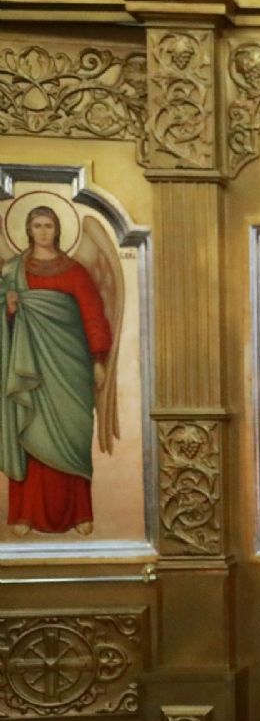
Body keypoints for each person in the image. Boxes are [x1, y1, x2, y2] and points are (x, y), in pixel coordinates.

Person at [1, 206, 113, 536]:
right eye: (37, 225)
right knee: (30, 432)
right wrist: (9, 308)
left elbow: (93, 315)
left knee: (73, 435)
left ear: (57, 230)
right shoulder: (14, 270)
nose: (43, 231)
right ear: (28, 229)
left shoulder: (75, 272)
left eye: (48, 225)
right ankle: (24, 514)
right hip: (28, 365)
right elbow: (6, 321)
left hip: (70, 367)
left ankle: (79, 513)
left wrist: (98, 359)